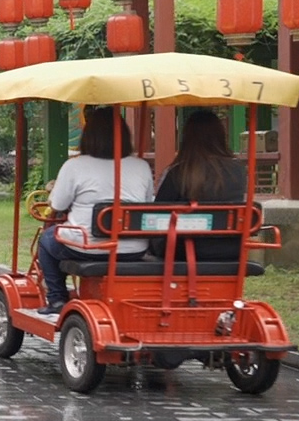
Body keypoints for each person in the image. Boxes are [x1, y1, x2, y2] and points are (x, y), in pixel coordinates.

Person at [36, 107, 154, 312]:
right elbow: (147, 204)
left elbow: (57, 205)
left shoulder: (75, 166)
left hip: (88, 247)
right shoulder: (141, 166)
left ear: (88, 135)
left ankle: (56, 298)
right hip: (133, 248)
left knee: (47, 240)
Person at [154, 109, 249, 261]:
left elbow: (158, 211)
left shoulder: (180, 171)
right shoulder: (238, 171)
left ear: (187, 138)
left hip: (186, 249)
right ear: (221, 136)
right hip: (232, 247)